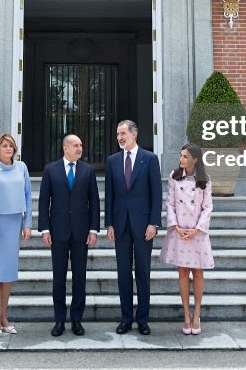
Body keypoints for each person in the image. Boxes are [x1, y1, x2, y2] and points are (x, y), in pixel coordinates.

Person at [38, 134, 100, 337]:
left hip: (81, 233)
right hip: (58, 232)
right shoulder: (50, 170)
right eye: (75, 145)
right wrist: (45, 229)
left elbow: (94, 202)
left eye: (81, 145)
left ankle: (76, 320)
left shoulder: (88, 171)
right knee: (59, 279)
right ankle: (59, 320)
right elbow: (43, 201)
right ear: (65, 148)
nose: (80, 148)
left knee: (80, 278)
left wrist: (93, 230)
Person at [104, 119, 162, 335]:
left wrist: (154, 223)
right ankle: (126, 318)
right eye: (118, 134)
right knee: (123, 273)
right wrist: (108, 223)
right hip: (120, 225)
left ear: (134, 134)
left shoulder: (149, 159)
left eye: (123, 133)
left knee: (143, 272)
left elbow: (156, 194)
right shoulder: (112, 161)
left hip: (143, 226)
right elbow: (109, 194)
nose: (119, 137)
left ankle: (143, 319)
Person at [0, 133, 32, 339]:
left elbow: (27, 195)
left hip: (14, 224)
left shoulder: (22, 168)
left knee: (9, 272)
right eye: (4, 146)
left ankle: (4, 316)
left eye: (11, 145)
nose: (8, 149)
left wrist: (27, 224)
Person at [160, 143, 214, 335]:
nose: (181, 159)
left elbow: (208, 206)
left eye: (185, 156)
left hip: (197, 233)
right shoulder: (174, 177)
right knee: (183, 272)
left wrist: (198, 229)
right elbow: (170, 203)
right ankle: (186, 314)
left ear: (195, 159)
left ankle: (197, 314)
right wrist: (175, 225)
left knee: (198, 273)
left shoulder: (205, 179)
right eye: (181, 156)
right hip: (180, 231)